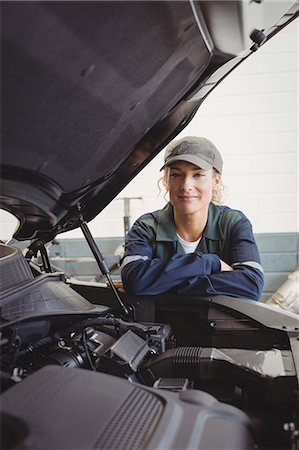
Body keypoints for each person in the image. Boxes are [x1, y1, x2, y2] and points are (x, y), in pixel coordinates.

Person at [119, 136, 264, 301]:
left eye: (198, 175)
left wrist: (161, 286)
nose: (186, 186)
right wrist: (209, 263)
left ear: (216, 181)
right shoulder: (146, 227)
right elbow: (134, 280)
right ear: (166, 181)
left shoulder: (234, 223)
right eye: (176, 175)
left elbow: (251, 285)